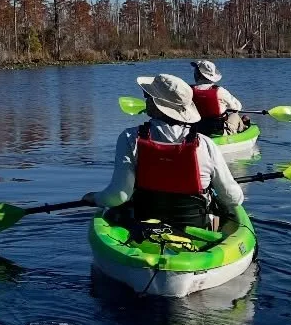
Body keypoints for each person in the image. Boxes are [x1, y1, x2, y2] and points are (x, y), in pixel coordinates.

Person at [84, 73, 244, 232]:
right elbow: (233, 198)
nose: (144, 98)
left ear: (157, 104)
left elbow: (119, 195)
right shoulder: (205, 144)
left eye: (148, 96)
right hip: (195, 229)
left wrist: (95, 198)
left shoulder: (129, 138)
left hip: (144, 227)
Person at [190, 59, 249, 137]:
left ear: (198, 74)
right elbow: (237, 107)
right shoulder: (219, 91)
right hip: (218, 131)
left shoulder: (188, 90)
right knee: (235, 115)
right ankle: (243, 127)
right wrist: (224, 107)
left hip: (197, 129)